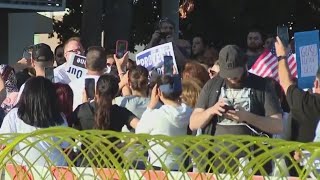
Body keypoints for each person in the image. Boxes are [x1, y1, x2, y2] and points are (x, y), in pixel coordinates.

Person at [0, 77, 69, 166]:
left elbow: (3, 143)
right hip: (54, 172)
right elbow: (66, 146)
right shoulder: (59, 118)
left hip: (23, 172)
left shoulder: (14, 116)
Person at [135, 75, 192, 170]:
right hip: (181, 167)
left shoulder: (155, 115)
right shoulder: (190, 112)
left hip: (158, 167)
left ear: (158, 92)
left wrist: (150, 106)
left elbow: (139, 133)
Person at [275, 36, 320, 142]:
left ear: (316, 83)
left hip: (306, 157)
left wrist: (282, 56)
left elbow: (285, 82)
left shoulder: (303, 102)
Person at [70, 74, 139, 131]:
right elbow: (141, 127)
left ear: (96, 91)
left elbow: (68, 130)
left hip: (87, 148)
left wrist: (84, 106)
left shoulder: (82, 110)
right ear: (115, 95)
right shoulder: (120, 112)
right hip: (114, 147)